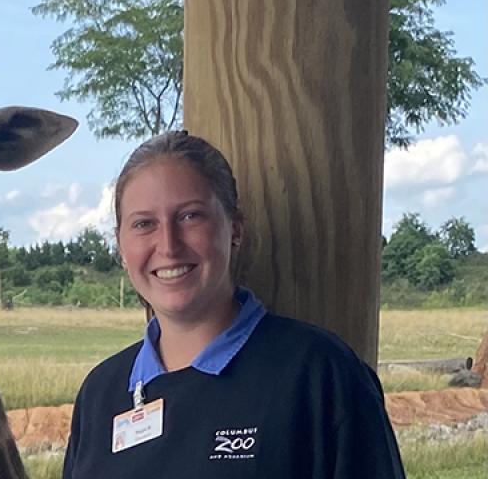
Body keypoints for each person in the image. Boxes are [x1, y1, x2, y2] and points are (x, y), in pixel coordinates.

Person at [63, 131, 405, 478]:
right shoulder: (100, 393)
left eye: (190, 216)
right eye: (144, 224)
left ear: (235, 229)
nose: (168, 245)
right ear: (121, 246)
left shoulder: (320, 375)